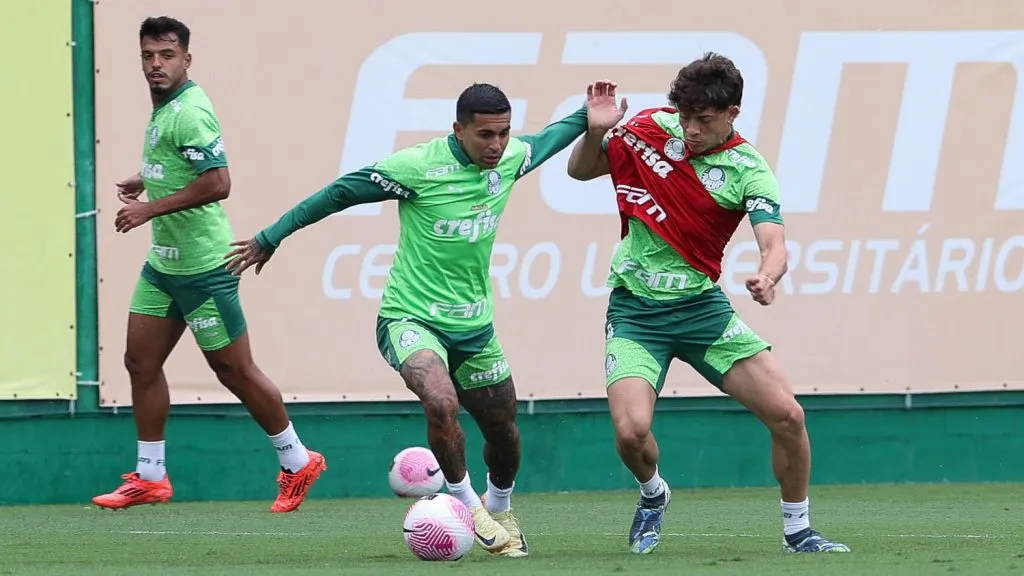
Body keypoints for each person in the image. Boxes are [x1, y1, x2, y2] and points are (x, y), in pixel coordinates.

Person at [225, 82, 604, 556]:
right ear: (458, 130)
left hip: (474, 327)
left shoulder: (510, 158)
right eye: (485, 134)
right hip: (410, 318)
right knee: (441, 402)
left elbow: (549, 138)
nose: (496, 145)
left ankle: (500, 506)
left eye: (504, 133)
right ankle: (468, 506)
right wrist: (270, 236)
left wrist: (587, 114)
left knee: (503, 429)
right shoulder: (418, 167)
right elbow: (340, 193)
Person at [566, 55, 851, 555]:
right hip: (636, 313)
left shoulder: (748, 169)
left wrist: (768, 275)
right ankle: (654, 494)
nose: (690, 130)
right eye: (685, 117)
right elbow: (581, 170)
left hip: (702, 312)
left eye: (702, 120)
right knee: (631, 433)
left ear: (732, 113)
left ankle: (798, 531)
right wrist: (595, 133)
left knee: (788, 416)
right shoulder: (650, 128)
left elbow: (776, 244)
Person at [92, 16, 326, 514]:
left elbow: (218, 183)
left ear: (187, 59)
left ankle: (298, 459)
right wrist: (146, 178)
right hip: (164, 267)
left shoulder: (191, 111)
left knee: (233, 371)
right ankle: (150, 476)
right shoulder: (165, 108)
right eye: (148, 56)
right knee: (140, 362)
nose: (156, 64)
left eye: (167, 55)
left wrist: (148, 208)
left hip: (203, 269)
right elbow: (184, 163)